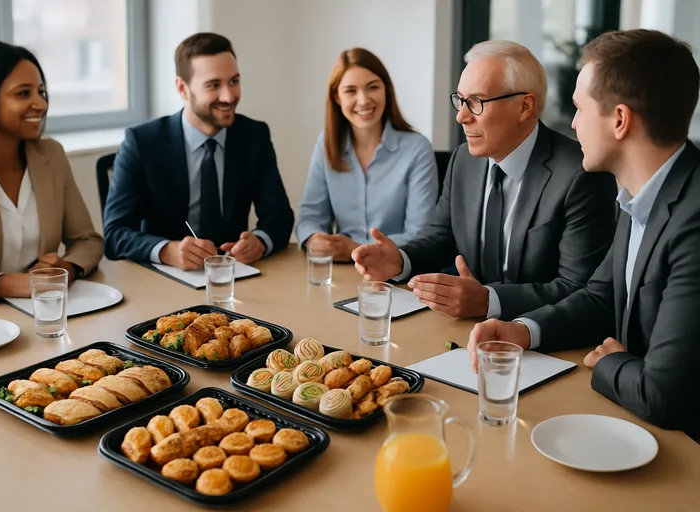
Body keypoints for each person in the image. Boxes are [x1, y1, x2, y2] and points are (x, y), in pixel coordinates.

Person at [467, 30, 700, 441]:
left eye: (579, 108)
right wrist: (522, 331)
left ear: (620, 120)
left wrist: (611, 362)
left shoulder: (693, 219)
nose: (572, 124)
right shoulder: (642, 193)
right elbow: (600, 298)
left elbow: (661, 394)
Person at [352, 40, 617, 320]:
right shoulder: (463, 160)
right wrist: (400, 260)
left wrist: (490, 301)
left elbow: (579, 290)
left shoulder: (581, 174)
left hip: (541, 336)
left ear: (525, 107)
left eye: (476, 102)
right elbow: (441, 237)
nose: (461, 116)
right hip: (466, 330)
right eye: (461, 100)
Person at [103, 32, 294, 269]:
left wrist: (261, 242)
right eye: (214, 85)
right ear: (182, 89)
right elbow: (115, 234)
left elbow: (280, 216)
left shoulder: (254, 136)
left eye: (234, 81)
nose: (229, 96)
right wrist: (166, 250)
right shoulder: (142, 142)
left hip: (232, 274)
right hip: (164, 277)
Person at [0, 41, 103, 303]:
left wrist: (66, 269)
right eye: (23, 93)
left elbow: (87, 240)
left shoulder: (51, 155)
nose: (41, 104)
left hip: (43, 309)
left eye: (41, 92)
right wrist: (16, 284)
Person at [295, 48, 437, 261]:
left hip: (396, 270)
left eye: (373, 87)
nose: (363, 101)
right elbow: (310, 216)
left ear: (386, 90)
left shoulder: (417, 149)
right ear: (337, 97)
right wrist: (314, 238)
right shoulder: (327, 144)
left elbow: (420, 234)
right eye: (350, 91)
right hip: (340, 270)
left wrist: (355, 249)